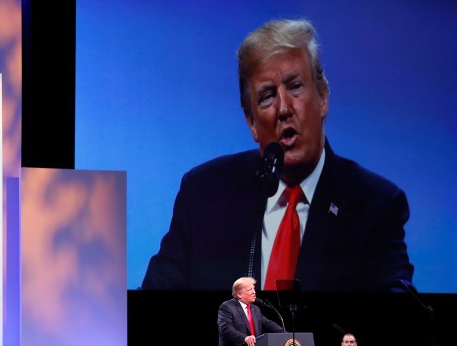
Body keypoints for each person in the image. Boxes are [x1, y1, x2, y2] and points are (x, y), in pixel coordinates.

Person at [141, 18, 414, 293]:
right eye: (267, 96)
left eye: (295, 87)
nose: (283, 108)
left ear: (322, 98)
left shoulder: (376, 206)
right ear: (251, 122)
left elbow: (396, 308)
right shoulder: (204, 194)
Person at [209, 276, 284, 346]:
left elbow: (268, 324)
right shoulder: (227, 307)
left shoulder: (255, 309)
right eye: (250, 290)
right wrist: (244, 338)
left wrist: (286, 335)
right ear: (239, 294)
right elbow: (226, 329)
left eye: (254, 289)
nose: (254, 292)